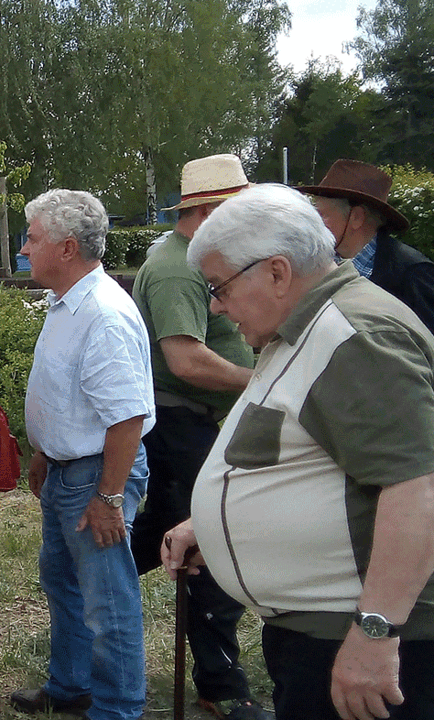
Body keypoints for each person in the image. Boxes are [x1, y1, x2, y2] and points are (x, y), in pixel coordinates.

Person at [162, 183, 434, 720]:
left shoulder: (353, 336)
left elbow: (417, 489)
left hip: (356, 635)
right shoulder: (302, 326)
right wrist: (213, 523)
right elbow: (306, 451)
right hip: (319, 630)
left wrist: (375, 630)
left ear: (276, 271)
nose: (218, 308)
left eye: (219, 287)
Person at [130, 155, 269, 720]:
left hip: (190, 425)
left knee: (162, 539)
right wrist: (264, 382)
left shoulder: (191, 260)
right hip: (182, 427)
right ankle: (220, 684)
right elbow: (185, 359)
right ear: (211, 211)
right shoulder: (176, 268)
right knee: (208, 544)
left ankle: (91, 637)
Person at [9, 189, 154, 720]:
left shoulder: (103, 313)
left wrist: (109, 497)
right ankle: (71, 686)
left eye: (33, 238)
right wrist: (45, 451)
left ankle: (117, 710)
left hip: (96, 474)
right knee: (64, 582)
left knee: (107, 601)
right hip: (72, 471)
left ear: (67, 248)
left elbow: (127, 417)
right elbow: (73, 395)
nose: (25, 249)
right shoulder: (69, 302)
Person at [301, 159, 434, 346]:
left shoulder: (412, 273)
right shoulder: (322, 264)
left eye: (322, 215)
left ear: (356, 218)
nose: (315, 224)